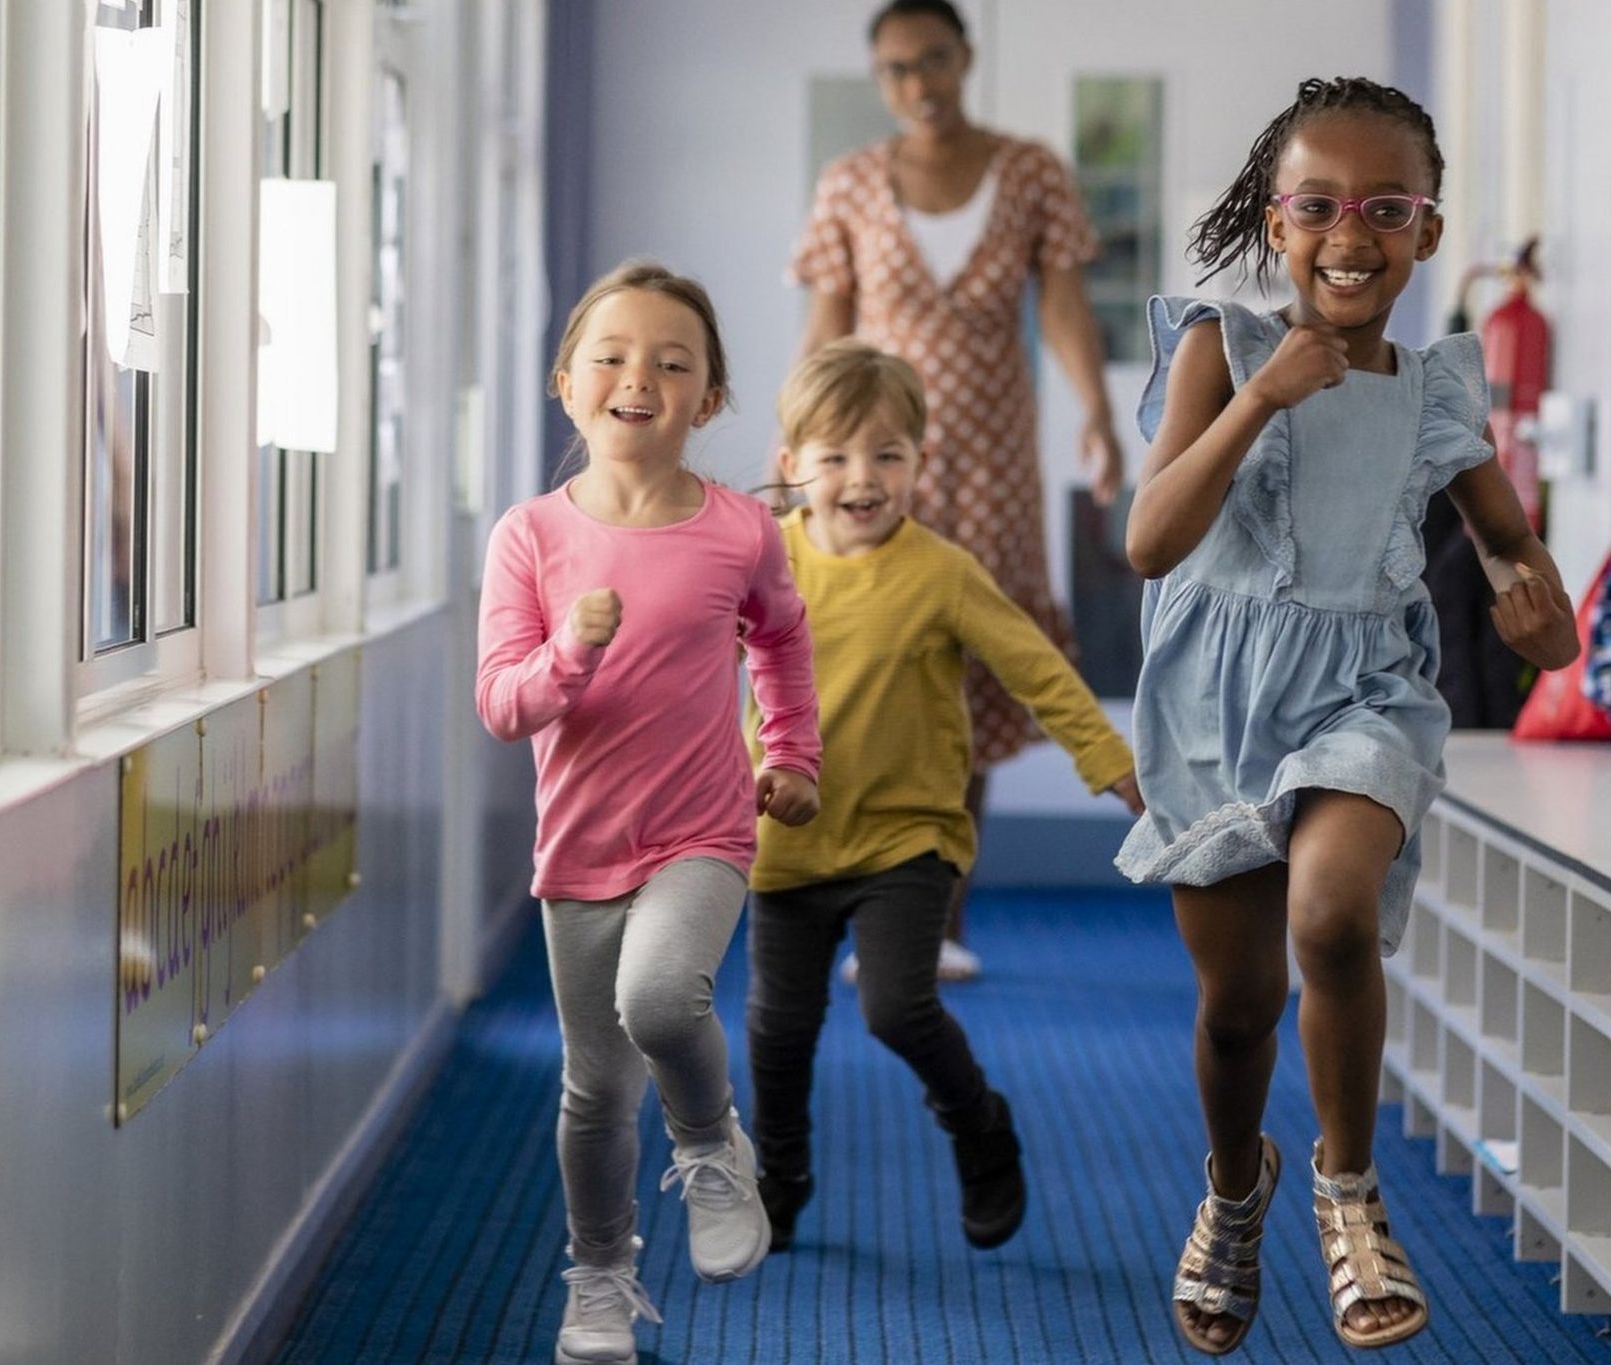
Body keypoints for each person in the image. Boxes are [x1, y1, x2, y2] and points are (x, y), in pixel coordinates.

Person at [1115, 79, 1578, 1354]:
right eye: (1316, 206)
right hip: (1216, 699)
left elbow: (1509, 554)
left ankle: (1347, 1189)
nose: (1348, 234)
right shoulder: (1222, 342)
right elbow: (1151, 543)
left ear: (1425, 231)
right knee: (1236, 1009)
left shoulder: (1434, 391)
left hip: (1365, 689)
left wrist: (1533, 613)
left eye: (1385, 207)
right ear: (1276, 225)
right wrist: (1265, 397)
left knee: (1329, 918)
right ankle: (1232, 1187)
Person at [476, 261, 822, 1365]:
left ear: (707, 400)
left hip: (703, 834)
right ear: (565, 383)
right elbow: (498, 703)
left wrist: (792, 753)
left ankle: (713, 1144)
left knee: (663, 1002)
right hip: (578, 850)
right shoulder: (527, 537)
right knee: (592, 1093)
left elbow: (780, 640)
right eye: (613, 358)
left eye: (673, 364)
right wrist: (568, 652)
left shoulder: (737, 532)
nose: (641, 379)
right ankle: (600, 1277)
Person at [743, 340, 1142, 1255]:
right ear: (792, 465)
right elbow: (688, 674)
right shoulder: (763, 567)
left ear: (922, 463)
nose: (863, 476)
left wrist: (1110, 762)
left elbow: (1037, 669)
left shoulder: (940, 571)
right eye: (836, 455)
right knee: (777, 1029)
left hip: (906, 841)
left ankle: (978, 1124)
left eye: (889, 454)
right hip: (784, 842)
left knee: (896, 1008)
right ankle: (781, 1174)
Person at [792, 0, 1122, 980]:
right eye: (895, 71)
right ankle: (858, 905)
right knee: (865, 666)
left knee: (970, 679)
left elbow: (1062, 305)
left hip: (991, 464)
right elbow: (826, 323)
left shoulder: (1029, 172)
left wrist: (1096, 415)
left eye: (932, 61)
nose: (917, 85)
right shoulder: (849, 183)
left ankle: (936, 923)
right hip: (868, 465)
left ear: (964, 57)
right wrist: (792, 436)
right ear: (879, 80)